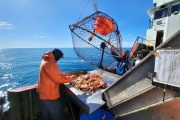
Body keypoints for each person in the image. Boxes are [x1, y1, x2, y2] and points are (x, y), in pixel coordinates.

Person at [36, 48, 78, 120]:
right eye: (59, 58)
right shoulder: (50, 64)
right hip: (50, 95)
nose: (59, 59)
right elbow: (58, 79)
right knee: (57, 115)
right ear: (57, 56)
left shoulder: (45, 60)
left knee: (46, 114)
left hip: (43, 92)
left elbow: (54, 74)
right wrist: (72, 78)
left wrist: (64, 75)